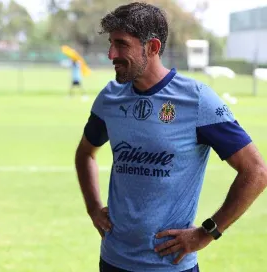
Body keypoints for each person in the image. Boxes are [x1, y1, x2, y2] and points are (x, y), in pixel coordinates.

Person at [74, 2, 267, 272]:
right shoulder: (110, 98)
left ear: (152, 47)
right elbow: (85, 153)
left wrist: (206, 232)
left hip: (171, 266)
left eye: (121, 44)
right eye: (110, 43)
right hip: (113, 261)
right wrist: (94, 208)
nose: (110, 54)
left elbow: (256, 172)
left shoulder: (197, 101)